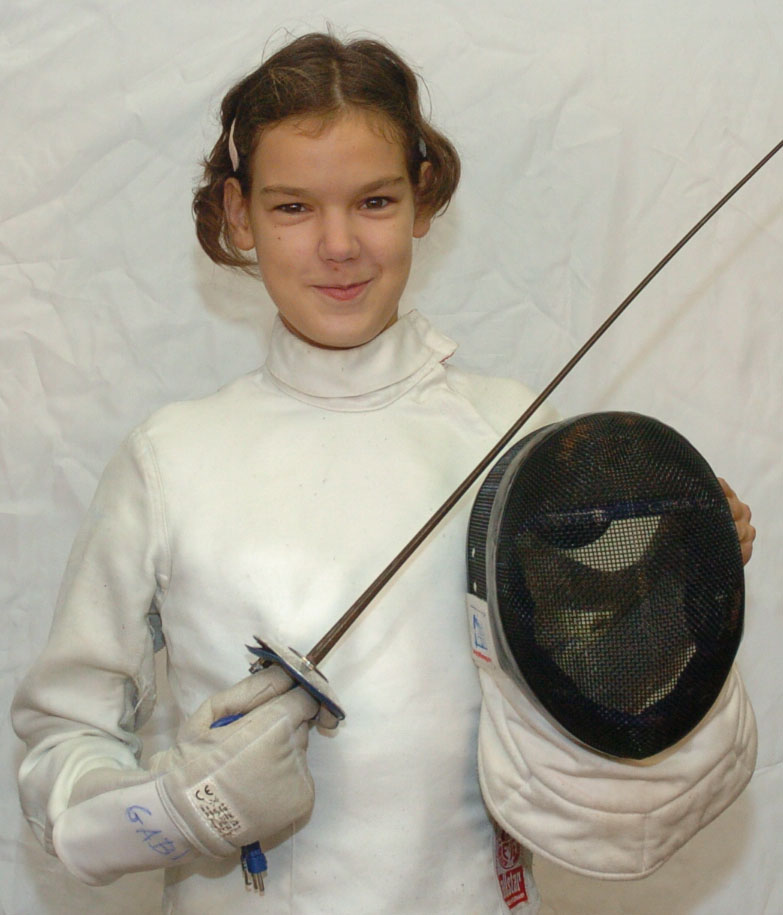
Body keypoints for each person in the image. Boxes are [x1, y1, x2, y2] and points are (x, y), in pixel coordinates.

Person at [12, 31, 757, 915]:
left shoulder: (520, 440)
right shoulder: (168, 460)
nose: (338, 246)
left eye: (372, 201)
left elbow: (605, 724)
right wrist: (186, 808)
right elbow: (59, 759)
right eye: (293, 207)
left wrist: (676, 575)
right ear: (239, 215)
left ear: (421, 199)